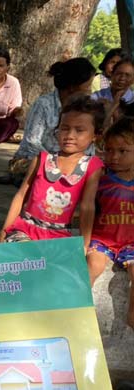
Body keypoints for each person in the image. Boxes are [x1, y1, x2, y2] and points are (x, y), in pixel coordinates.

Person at [0, 97, 105, 244]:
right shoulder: (41, 159)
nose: (70, 135)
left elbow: (87, 207)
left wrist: (84, 245)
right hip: (24, 230)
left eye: (79, 130)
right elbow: (21, 195)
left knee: (56, 259)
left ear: (96, 136)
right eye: (65, 128)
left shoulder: (92, 167)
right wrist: (5, 230)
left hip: (59, 236)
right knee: (25, 252)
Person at [0, 57, 97, 184]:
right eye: (87, 87)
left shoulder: (83, 108)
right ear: (73, 87)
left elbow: (89, 146)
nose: (89, 91)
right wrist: (55, 163)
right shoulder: (43, 104)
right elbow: (31, 142)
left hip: (69, 163)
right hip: (36, 159)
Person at [87, 116, 134, 328]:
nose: (114, 157)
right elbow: (86, 208)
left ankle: (132, 315)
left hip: (131, 244)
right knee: (93, 265)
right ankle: (77, 309)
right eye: (109, 150)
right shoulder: (100, 181)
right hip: (102, 240)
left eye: (123, 151)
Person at [91, 56, 134, 125]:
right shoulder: (97, 97)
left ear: (133, 80)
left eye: (127, 75)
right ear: (112, 74)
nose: (122, 78)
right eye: (119, 74)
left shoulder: (132, 100)